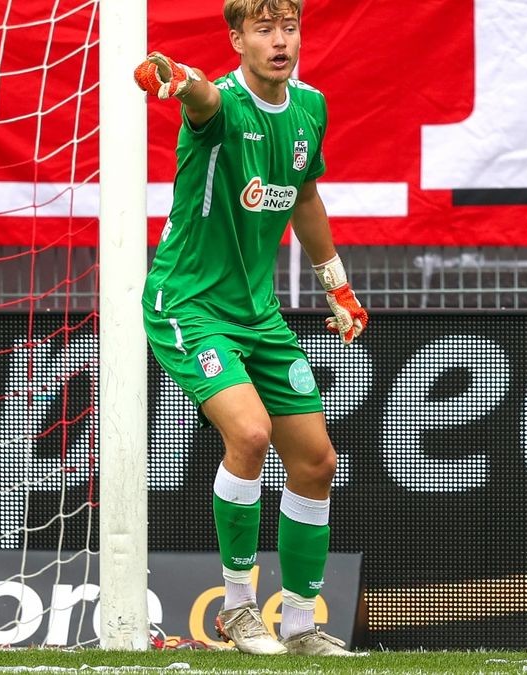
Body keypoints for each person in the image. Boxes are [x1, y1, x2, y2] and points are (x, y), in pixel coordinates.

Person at [133, 0, 367, 658]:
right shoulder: (222, 106)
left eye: (289, 27)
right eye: (264, 28)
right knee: (252, 432)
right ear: (238, 37)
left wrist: (338, 287)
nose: (280, 40)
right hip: (189, 303)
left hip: (258, 315)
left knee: (317, 460)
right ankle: (238, 609)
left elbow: (307, 195)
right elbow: (202, 98)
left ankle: (299, 624)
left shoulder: (310, 108)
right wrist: (177, 76)